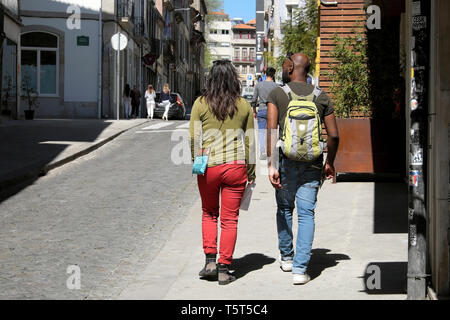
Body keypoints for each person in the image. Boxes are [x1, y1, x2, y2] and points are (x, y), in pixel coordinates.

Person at [266, 52, 339, 285]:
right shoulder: (322, 97)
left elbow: (270, 131)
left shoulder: (277, 93)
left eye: (286, 65)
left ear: (290, 69)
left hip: (286, 161)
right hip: (312, 163)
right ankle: (300, 270)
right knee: (307, 214)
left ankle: (287, 257)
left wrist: (271, 165)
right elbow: (334, 135)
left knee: (285, 208)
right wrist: (330, 163)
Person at [189, 60, 256, 285]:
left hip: (208, 166)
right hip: (236, 166)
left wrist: (196, 161)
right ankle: (224, 268)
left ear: (211, 80)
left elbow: (193, 138)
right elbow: (250, 142)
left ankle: (209, 261)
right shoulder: (244, 105)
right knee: (230, 219)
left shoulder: (199, 104)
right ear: (233, 79)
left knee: (209, 212)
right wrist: (252, 170)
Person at [251, 67, 278, 160]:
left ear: (265, 74)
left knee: (261, 132)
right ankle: (271, 152)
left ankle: (262, 151)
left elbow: (254, 100)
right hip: (273, 111)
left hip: (262, 110)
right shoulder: (276, 86)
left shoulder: (259, 85)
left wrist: (254, 111)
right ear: (273, 75)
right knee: (272, 132)